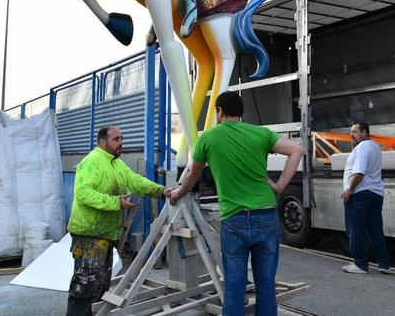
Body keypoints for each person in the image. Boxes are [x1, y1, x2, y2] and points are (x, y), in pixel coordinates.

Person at [169, 91, 303, 316]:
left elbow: (192, 174)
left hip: (235, 219)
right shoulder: (261, 134)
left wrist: (178, 192)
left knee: (234, 287)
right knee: (266, 286)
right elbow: (297, 151)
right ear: (240, 113)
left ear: (219, 111)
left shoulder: (208, 138)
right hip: (266, 216)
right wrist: (279, 186)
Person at [66, 126, 171, 316]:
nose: (121, 142)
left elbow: (135, 180)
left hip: (104, 234)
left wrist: (162, 191)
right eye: (116, 139)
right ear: (103, 142)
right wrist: (116, 202)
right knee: (85, 286)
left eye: (122, 138)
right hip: (88, 234)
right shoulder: (92, 162)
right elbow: (83, 193)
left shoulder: (117, 164)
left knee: (101, 283)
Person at [341, 121, 392, 274]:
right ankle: (384, 264)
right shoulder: (374, 146)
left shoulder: (362, 147)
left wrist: (349, 189)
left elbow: (359, 172)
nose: (352, 135)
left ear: (364, 133)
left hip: (360, 194)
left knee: (355, 229)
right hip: (376, 193)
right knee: (375, 229)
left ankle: (360, 264)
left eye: (355, 131)